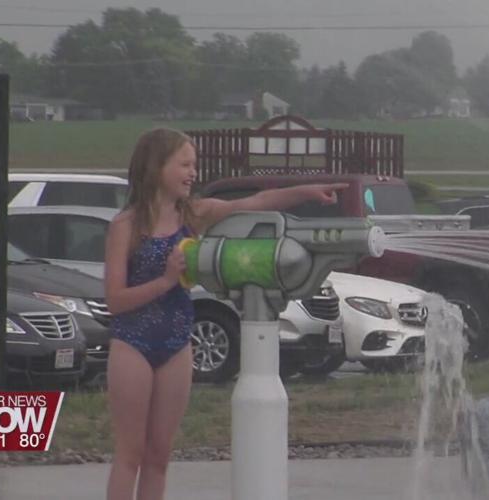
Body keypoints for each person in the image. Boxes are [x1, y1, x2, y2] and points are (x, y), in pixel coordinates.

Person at [103, 127, 347, 500]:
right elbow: (115, 299)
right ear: (157, 167)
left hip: (176, 343)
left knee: (159, 456)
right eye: (185, 164)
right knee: (130, 454)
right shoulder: (125, 226)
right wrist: (167, 280)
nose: (193, 172)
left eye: (195, 165)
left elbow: (257, 202)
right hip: (132, 344)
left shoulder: (195, 214)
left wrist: (304, 192)